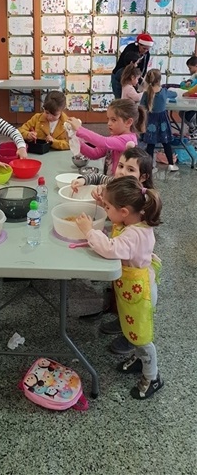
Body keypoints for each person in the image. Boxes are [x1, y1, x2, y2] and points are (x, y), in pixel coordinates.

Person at [76, 176, 164, 400]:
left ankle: (152, 377)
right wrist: (104, 200)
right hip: (131, 292)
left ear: (124, 211)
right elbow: (116, 224)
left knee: (142, 337)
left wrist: (89, 231)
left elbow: (110, 248)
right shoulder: (132, 221)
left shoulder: (134, 235)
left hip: (139, 294)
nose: (105, 210)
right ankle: (139, 359)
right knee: (131, 329)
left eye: (107, 207)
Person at [71, 145, 154, 356]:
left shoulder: (135, 226)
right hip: (128, 275)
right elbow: (120, 220)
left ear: (143, 177)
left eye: (130, 169)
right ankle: (122, 322)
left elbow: (111, 248)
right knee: (123, 304)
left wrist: (90, 231)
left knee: (137, 322)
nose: (122, 172)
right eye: (121, 166)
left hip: (138, 285)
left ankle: (133, 343)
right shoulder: (131, 206)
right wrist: (108, 204)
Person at [68, 99, 146, 176]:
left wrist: (79, 129)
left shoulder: (128, 140)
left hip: (121, 184)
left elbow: (103, 142)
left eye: (113, 120)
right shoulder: (115, 136)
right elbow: (95, 153)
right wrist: (75, 141)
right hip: (110, 179)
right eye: (108, 119)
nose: (109, 123)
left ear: (128, 122)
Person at [141, 69, 179, 172]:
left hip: (150, 121)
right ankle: (171, 164)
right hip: (163, 121)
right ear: (159, 80)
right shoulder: (164, 92)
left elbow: (141, 107)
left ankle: (149, 167)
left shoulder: (146, 93)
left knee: (151, 144)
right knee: (166, 143)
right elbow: (174, 94)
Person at [111, 34, 154, 99]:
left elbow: (143, 69)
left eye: (147, 49)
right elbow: (129, 70)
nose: (145, 51)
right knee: (120, 100)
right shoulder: (130, 50)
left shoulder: (146, 54)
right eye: (144, 48)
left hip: (132, 79)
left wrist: (140, 81)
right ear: (139, 44)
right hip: (120, 77)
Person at [182, 56, 197, 135]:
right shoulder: (195, 74)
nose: (189, 70)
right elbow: (193, 77)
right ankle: (193, 128)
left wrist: (188, 93)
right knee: (183, 113)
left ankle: (193, 128)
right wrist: (189, 81)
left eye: (190, 68)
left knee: (187, 115)